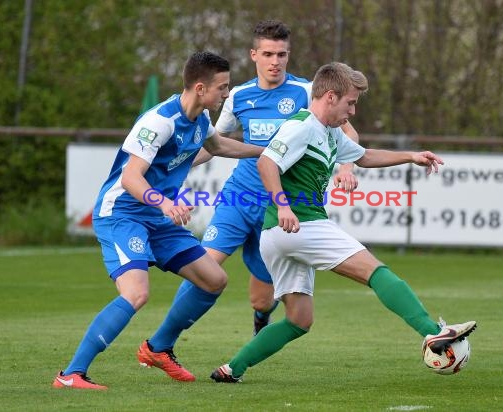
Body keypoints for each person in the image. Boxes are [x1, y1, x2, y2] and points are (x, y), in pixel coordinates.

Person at [210, 62, 477, 383]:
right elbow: (267, 162)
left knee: (298, 320)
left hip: (278, 236)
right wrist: (283, 206)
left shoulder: (329, 132)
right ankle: (434, 333)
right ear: (331, 97)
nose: (352, 111)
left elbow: (362, 156)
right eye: (350, 103)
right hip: (300, 225)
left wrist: (411, 156)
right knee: (377, 272)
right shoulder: (302, 126)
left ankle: (232, 369)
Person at [52, 51, 264, 390]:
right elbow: (132, 178)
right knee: (136, 293)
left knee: (214, 279)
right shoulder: (159, 121)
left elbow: (220, 146)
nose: (226, 94)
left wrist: (266, 150)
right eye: (222, 88)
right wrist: (164, 203)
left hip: (155, 217)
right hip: (122, 214)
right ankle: (71, 374)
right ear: (200, 88)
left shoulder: (200, 121)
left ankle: (159, 348)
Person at [160, 20, 360, 351]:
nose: (275, 61)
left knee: (261, 297)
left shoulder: (306, 92)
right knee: (205, 265)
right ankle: (161, 343)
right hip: (239, 197)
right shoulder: (238, 95)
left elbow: (347, 132)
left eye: (282, 54)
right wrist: (173, 170)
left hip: (281, 207)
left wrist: (346, 166)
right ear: (254, 55)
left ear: (288, 55)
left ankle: (261, 320)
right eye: (268, 53)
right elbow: (216, 143)